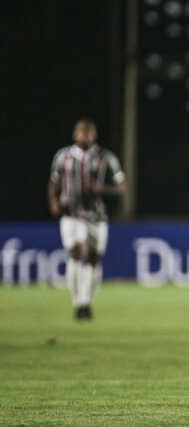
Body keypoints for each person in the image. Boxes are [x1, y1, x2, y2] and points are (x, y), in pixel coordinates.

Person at [48, 119, 125, 320]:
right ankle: (78, 302)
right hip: (71, 215)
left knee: (93, 259)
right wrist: (54, 202)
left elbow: (122, 187)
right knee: (75, 252)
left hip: (96, 216)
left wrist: (101, 189)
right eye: (81, 132)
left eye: (88, 132)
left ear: (94, 135)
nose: (85, 135)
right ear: (75, 135)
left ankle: (85, 301)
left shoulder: (105, 158)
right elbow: (53, 183)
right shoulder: (63, 156)